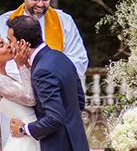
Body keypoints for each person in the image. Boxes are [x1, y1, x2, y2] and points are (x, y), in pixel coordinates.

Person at [0, 0, 88, 146]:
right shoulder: (3, 23)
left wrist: (47, 82)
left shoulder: (64, 21)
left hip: (53, 108)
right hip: (20, 106)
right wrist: (26, 79)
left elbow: (78, 60)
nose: (40, 4)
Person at [6, 15, 88, 151]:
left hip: (58, 145)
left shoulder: (42, 71)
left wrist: (23, 129)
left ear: (21, 43)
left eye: (10, 40)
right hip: (77, 142)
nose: (8, 44)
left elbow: (55, 118)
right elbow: (80, 101)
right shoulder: (60, 56)